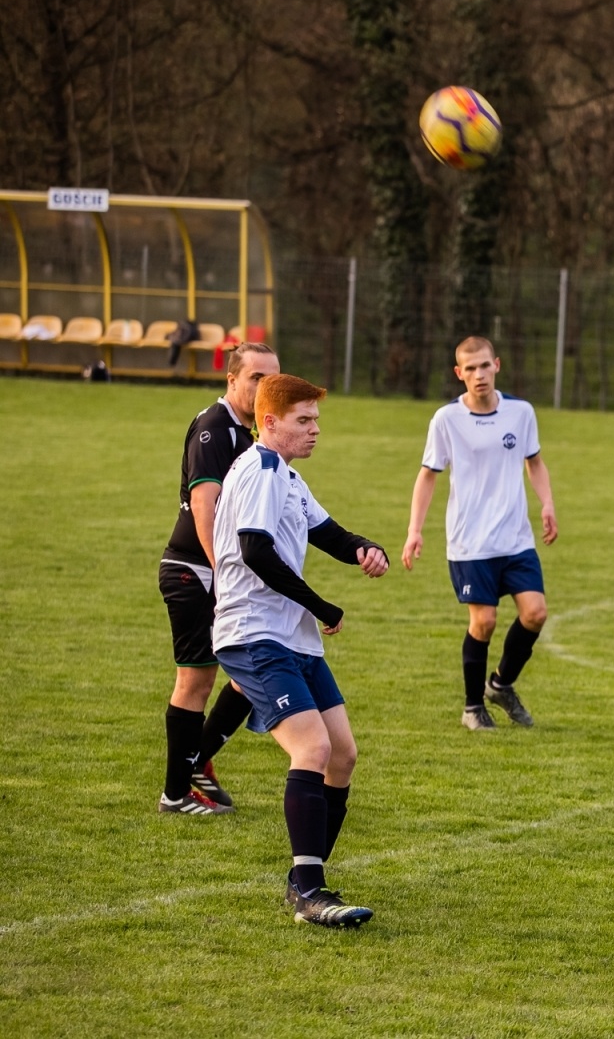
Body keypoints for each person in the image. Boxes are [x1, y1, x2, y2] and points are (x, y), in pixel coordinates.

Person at [211, 374, 389, 927]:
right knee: (311, 749)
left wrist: (365, 546)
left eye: (316, 420)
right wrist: (320, 604)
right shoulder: (261, 469)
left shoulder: (286, 474)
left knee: (342, 755)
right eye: (303, 421)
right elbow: (256, 550)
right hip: (254, 632)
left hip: (291, 637)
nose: (314, 430)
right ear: (270, 423)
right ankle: (310, 893)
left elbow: (327, 532)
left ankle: (305, 881)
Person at [403, 336, 557, 731]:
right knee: (484, 621)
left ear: (497, 366)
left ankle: (501, 685)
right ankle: (473, 707)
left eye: (484, 366)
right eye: (469, 368)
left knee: (536, 613)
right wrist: (414, 531)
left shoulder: (521, 413)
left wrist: (547, 503)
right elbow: (427, 476)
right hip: (470, 541)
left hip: (516, 538)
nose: (478, 374)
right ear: (459, 374)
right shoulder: (446, 419)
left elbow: (534, 462)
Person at [157, 342, 280, 815]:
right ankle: (175, 794)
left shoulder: (248, 433)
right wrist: (223, 572)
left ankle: (196, 761)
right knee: (195, 683)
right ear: (232, 379)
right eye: (256, 378)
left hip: (215, 573)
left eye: (272, 378)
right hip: (193, 571)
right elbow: (205, 505)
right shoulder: (215, 428)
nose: (265, 387)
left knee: (251, 674)